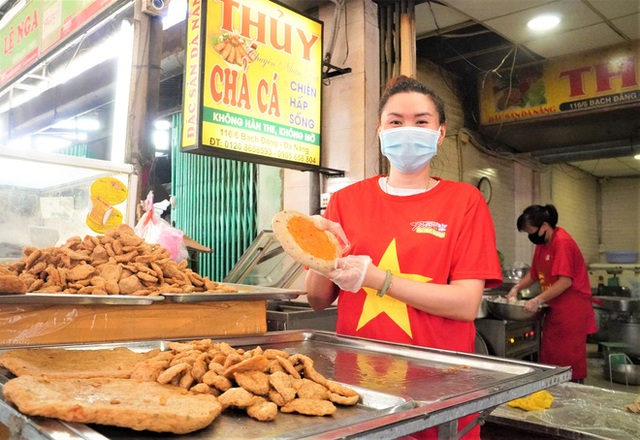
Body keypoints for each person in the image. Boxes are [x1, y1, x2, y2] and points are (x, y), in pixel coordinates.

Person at [305, 75, 503, 439]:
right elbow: (318, 299)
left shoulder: (464, 203)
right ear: (380, 130)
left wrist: (376, 278)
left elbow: (465, 303)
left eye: (421, 121)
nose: (407, 129)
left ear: (440, 133)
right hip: (360, 389)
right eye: (395, 121)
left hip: (440, 387)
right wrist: (315, 248)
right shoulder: (346, 201)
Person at [506, 204, 597, 383]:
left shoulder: (562, 242)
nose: (530, 236)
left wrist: (537, 299)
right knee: (551, 358)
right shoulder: (543, 243)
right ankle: (554, 393)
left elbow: (565, 281)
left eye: (531, 231)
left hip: (572, 310)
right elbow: (534, 273)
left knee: (568, 360)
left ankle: (573, 395)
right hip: (555, 309)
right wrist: (516, 288)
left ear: (545, 226)